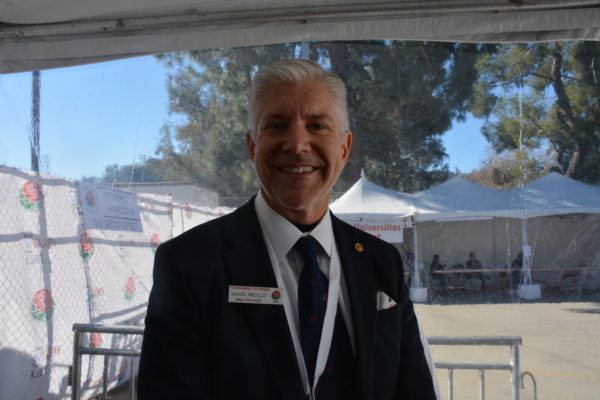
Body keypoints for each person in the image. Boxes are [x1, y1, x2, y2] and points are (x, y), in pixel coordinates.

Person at [138, 59, 438, 400]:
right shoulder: (189, 264)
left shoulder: (382, 262)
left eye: (318, 126)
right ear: (252, 147)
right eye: (277, 125)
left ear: (344, 148)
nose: (297, 144)